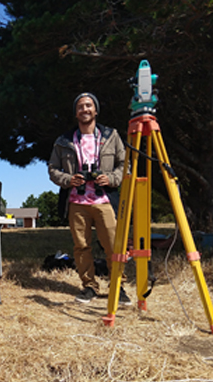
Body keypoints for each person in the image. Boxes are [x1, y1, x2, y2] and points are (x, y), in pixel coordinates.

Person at [49, 92, 131, 305]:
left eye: (89, 106)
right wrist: (69, 179)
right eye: (80, 107)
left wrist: (111, 178)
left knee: (113, 245)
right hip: (77, 201)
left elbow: (124, 164)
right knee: (81, 246)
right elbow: (52, 169)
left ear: (96, 110)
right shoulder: (64, 141)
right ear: (76, 113)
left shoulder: (111, 135)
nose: (85, 109)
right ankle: (89, 287)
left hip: (105, 200)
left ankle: (118, 287)